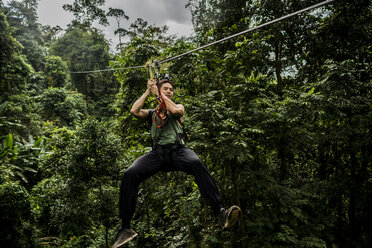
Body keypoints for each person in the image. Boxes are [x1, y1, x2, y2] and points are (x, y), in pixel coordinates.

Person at [112, 72, 241, 248]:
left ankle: (220, 211)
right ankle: (125, 228)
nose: (170, 91)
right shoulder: (152, 113)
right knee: (130, 173)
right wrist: (147, 92)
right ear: (159, 89)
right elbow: (134, 111)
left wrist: (159, 94)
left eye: (171, 89)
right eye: (166, 88)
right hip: (157, 154)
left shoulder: (176, 106)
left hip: (178, 151)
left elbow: (176, 111)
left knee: (196, 163)